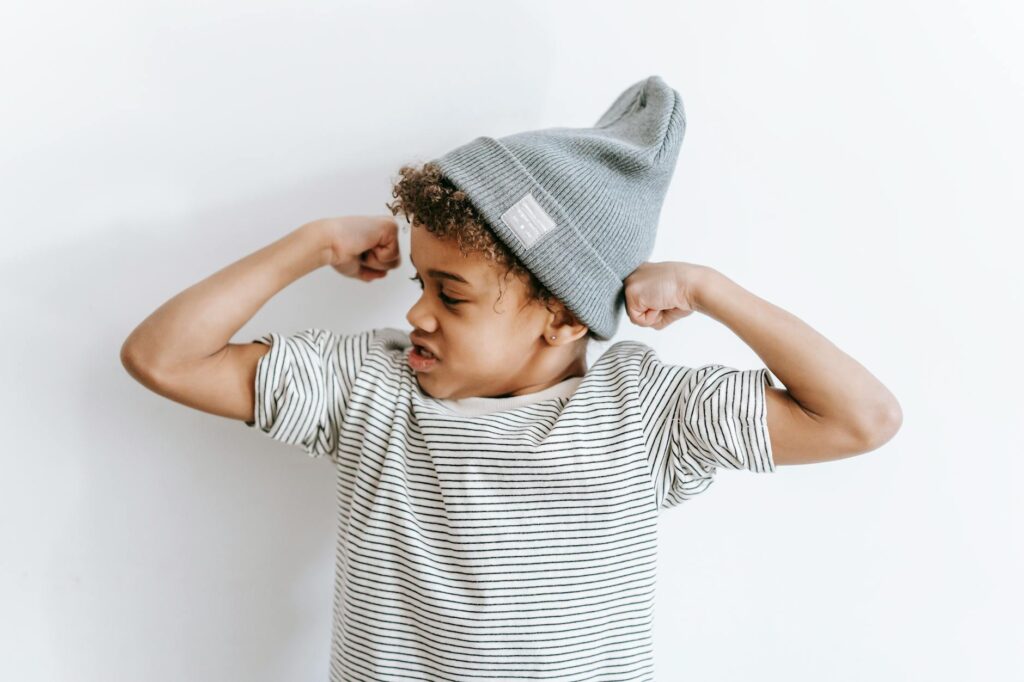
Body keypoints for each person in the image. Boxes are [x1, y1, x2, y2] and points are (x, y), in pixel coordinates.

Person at [121, 75, 902, 681]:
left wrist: (713, 292)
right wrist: (309, 244)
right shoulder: (370, 390)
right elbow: (163, 357)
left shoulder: (646, 412)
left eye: (451, 294)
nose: (419, 313)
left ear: (562, 318)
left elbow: (861, 418)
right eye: (419, 284)